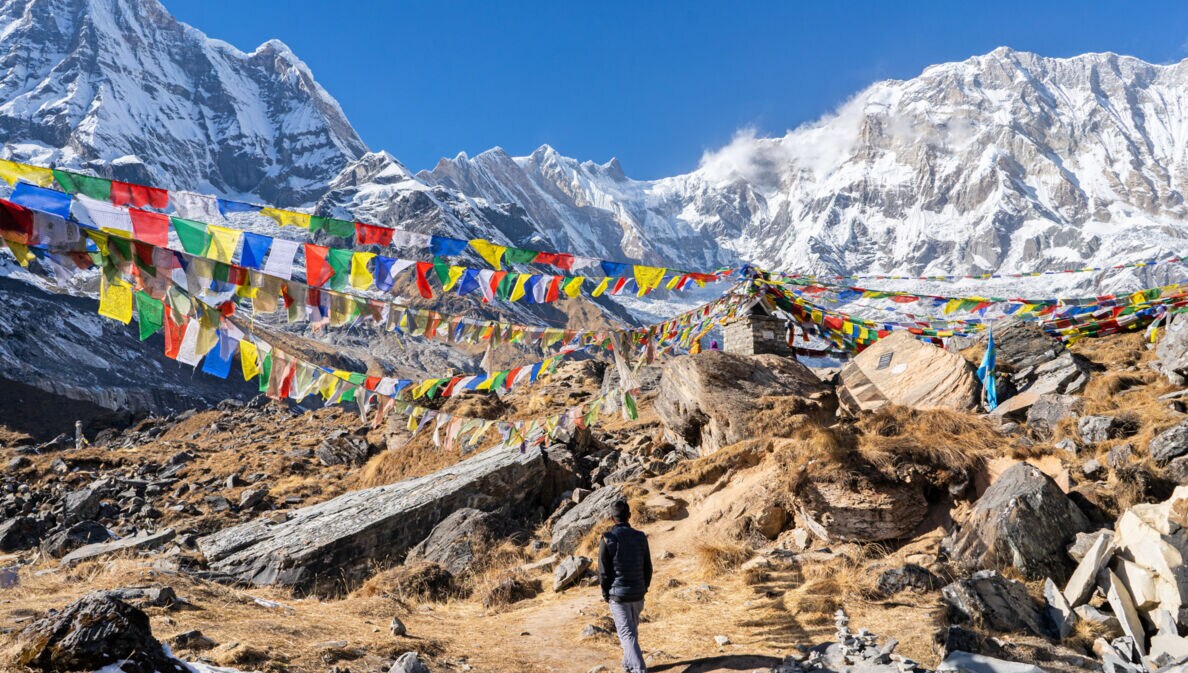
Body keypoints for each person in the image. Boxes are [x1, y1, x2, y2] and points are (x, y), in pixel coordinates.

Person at [598, 500, 653, 673]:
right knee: (631, 633)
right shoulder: (641, 536)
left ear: (612, 519)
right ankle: (628, 666)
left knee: (627, 635)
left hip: (618, 596)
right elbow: (648, 567)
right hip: (638, 594)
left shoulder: (607, 539)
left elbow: (603, 572)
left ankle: (639, 669)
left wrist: (606, 593)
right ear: (629, 516)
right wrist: (644, 588)